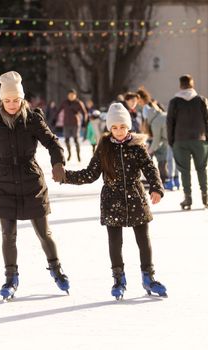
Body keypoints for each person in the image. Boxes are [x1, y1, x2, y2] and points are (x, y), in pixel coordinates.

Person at [0, 71, 70, 300]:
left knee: (44, 233)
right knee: (8, 236)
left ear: (22, 99)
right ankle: (11, 278)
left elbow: (52, 142)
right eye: (7, 100)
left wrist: (58, 163)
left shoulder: (32, 119)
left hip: (32, 182)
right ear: (1, 100)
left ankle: (57, 270)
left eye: (16, 100)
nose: (11, 104)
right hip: (5, 184)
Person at [59, 103, 167, 299]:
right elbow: (90, 174)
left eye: (122, 127)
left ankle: (148, 277)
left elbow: (150, 169)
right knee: (115, 242)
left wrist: (157, 187)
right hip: (112, 199)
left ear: (128, 127)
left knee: (144, 240)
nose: (119, 131)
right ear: (109, 128)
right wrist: (66, 177)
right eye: (115, 127)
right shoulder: (104, 148)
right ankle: (118, 279)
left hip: (135, 196)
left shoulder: (137, 146)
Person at [167, 74, 208, 210]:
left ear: (180, 85)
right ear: (192, 84)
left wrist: (171, 140)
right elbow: (207, 120)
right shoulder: (201, 100)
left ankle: (188, 198)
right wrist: (207, 137)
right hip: (199, 139)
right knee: (201, 168)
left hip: (180, 140)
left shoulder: (174, 102)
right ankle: (205, 196)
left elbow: (170, 122)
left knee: (184, 170)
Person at [139, 87, 169, 187]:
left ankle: (161, 180)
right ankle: (161, 179)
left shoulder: (150, 113)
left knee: (154, 159)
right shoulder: (154, 111)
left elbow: (156, 137)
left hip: (157, 139)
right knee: (161, 159)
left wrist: (151, 149)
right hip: (161, 139)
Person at [56, 88, 88, 162]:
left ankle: (78, 155)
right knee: (66, 140)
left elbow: (85, 113)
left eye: (72, 95)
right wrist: (54, 119)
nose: (71, 96)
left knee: (76, 140)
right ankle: (69, 154)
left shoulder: (78, 103)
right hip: (66, 123)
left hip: (75, 124)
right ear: (67, 95)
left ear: (75, 95)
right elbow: (58, 111)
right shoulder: (64, 102)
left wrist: (84, 121)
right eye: (70, 95)